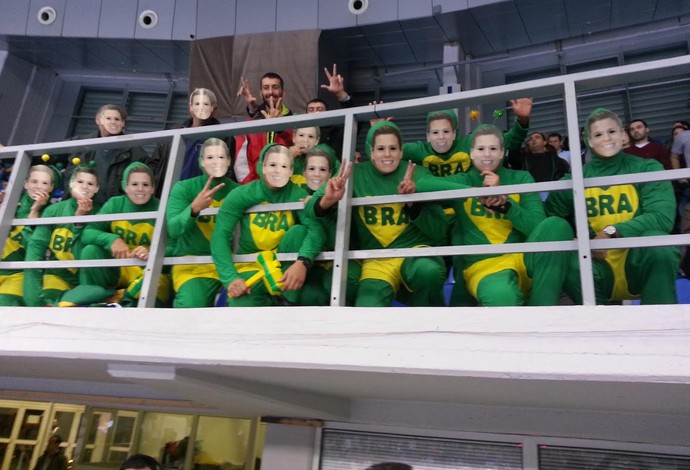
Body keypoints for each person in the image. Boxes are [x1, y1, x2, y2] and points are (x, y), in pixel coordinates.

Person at [545, 108, 679, 304]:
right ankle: (600, 326)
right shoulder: (575, 179)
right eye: (598, 134)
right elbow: (548, 216)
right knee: (568, 261)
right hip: (598, 264)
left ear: (623, 134)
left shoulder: (647, 167)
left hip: (637, 261)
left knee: (658, 243)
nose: (607, 138)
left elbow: (662, 217)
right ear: (589, 141)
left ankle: (660, 326)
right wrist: (573, 239)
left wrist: (611, 232)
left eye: (612, 131)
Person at [311, 121, 448, 307]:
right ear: (371, 152)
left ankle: (433, 328)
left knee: (428, 271)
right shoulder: (354, 175)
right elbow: (310, 207)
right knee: (368, 305)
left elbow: (439, 231)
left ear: (401, 151)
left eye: (393, 148)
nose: (387, 154)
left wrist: (412, 203)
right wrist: (328, 200)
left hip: (414, 252)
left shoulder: (418, 174)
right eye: (380, 148)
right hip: (376, 259)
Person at [442, 124, 573, 306]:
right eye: (481, 149)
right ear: (471, 153)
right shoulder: (462, 180)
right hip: (485, 267)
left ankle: (542, 311)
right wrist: (471, 190)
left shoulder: (521, 177)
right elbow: (424, 183)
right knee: (502, 295)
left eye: (493, 148)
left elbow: (538, 225)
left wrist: (506, 203)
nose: (487, 154)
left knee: (557, 226)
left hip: (523, 259)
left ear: (502, 152)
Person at [211, 143, 325, 306]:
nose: (278, 171)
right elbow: (220, 236)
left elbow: (316, 230)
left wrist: (303, 262)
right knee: (241, 303)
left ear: (291, 171)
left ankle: (286, 301)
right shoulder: (241, 194)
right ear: (262, 167)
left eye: (284, 166)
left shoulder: (298, 194)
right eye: (272, 165)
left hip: (283, 268)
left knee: (299, 232)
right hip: (250, 265)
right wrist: (231, 279)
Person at [60, 162, 171, 307]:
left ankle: (119, 299)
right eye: (134, 184)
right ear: (125, 187)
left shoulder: (163, 207)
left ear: (152, 189)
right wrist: (112, 239)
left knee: (156, 283)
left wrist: (153, 253)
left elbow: (176, 244)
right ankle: (95, 300)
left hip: (146, 269)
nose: (140, 189)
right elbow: (88, 232)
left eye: (145, 185)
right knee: (91, 250)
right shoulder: (115, 204)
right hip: (119, 267)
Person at [166, 138, 239, 307]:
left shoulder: (238, 190)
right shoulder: (183, 188)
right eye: (210, 157)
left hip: (230, 264)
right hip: (192, 266)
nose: (216, 162)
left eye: (221, 157)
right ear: (201, 162)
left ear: (229, 161)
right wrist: (193, 209)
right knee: (192, 302)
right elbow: (173, 229)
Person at [24, 163, 100, 306]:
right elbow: (36, 248)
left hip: (87, 279)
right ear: (71, 184)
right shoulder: (53, 210)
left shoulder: (102, 212)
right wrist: (32, 297)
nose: (84, 186)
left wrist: (79, 221)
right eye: (80, 182)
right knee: (50, 303)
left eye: (90, 184)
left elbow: (87, 249)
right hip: (57, 276)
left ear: (97, 189)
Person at [403, 98, 533, 177]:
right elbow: (391, 151)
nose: (441, 137)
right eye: (435, 133)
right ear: (428, 136)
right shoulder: (419, 150)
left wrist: (522, 120)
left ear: (455, 133)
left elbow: (509, 140)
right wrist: (381, 129)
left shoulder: (470, 142)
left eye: (446, 131)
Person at [149, 88, 234, 191]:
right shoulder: (172, 133)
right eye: (197, 104)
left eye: (206, 104)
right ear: (190, 108)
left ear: (214, 109)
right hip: (171, 194)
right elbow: (155, 164)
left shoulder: (223, 136)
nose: (201, 108)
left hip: (203, 195)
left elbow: (227, 171)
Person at [64, 104, 149, 205]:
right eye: (108, 118)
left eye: (117, 119)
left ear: (123, 124)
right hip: (76, 206)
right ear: (98, 120)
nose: (113, 122)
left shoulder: (136, 152)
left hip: (113, 211)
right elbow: (49, 157)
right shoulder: (79, 143)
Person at [0, 164, 56, 306]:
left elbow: (35, 249)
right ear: (25, 184)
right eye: (34, 181)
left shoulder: (53, 212)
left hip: (17, 274)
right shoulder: (9, 204)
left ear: (51, 187)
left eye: (44, 183)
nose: (38, 186)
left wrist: (35, 211)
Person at [234, 72, 294, 184]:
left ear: (283, 93)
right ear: (261, 93)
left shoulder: (296, 123)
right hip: (256, 191)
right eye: (266, 88)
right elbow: (241, 165)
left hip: (287, 188)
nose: (271, 92)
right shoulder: (248, 126)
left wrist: (280, 127)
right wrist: (256, 190)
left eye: (275, 87)